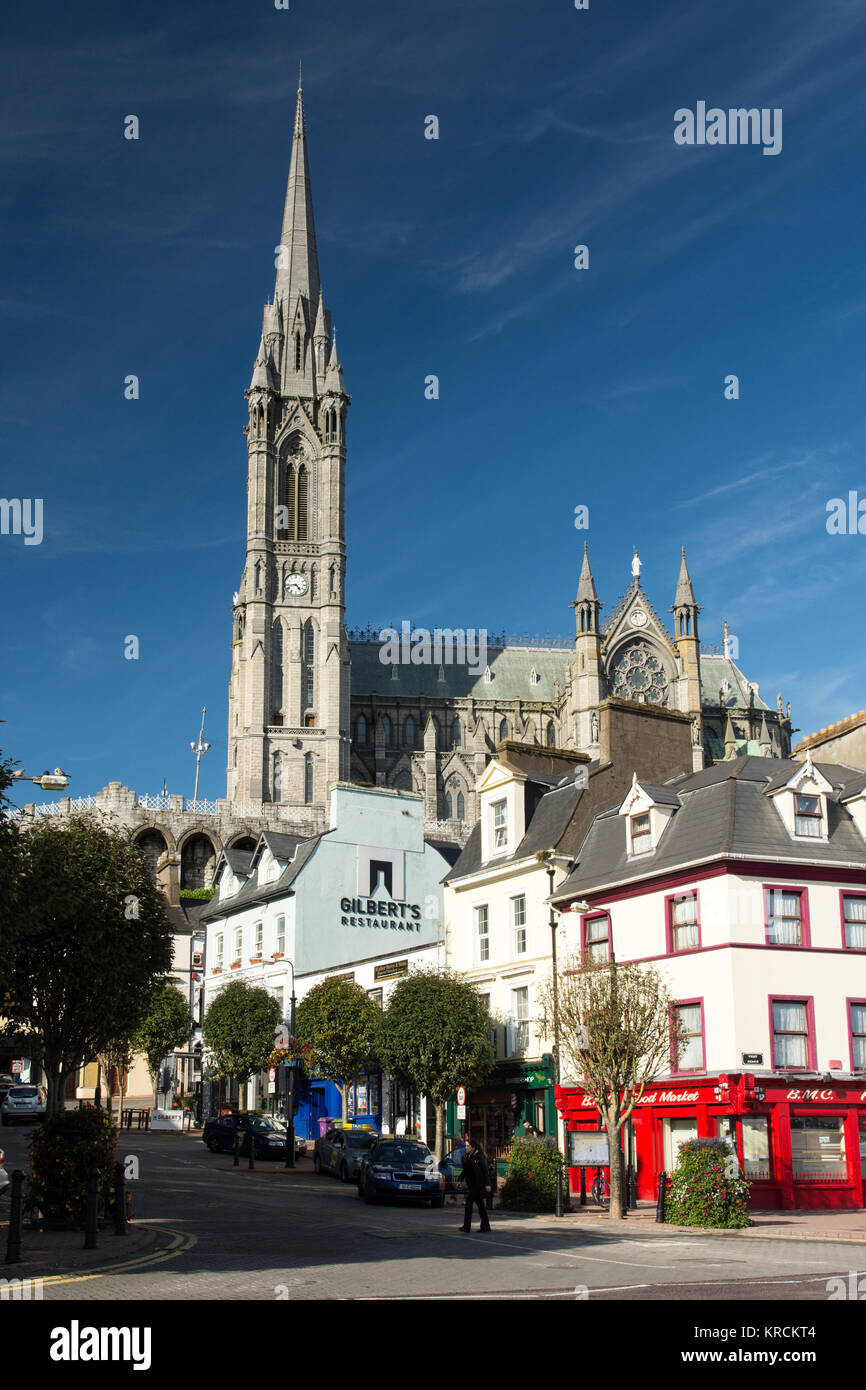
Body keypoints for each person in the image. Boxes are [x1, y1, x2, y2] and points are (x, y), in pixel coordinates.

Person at [460, 1133, 492, 1233]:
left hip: (477, 1184)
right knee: (481, 1206)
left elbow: (485, 1170)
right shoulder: (466, 1157)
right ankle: (485, 1226)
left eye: (468, 1146)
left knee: (469, 1203)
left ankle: (466, 1226)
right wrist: (459, 1180)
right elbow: (465, 1171)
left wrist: (487, 1184)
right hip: (471, 1184)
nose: (466, 1147)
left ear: (473, 1147)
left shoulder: (479, 1156)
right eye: (466, 1146)